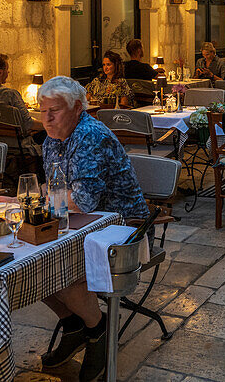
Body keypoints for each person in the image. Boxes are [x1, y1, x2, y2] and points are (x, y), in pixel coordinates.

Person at [37, 76, 147, 378]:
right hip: (79, 224)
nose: (45, 118)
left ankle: (98, 329)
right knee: (30, 268)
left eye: (54, 110)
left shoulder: (90, 135)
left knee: (60, 269)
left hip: (122, 226)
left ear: (76, 108)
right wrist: (50, 196)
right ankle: (74, 326)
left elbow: (83, 200)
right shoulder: (52, 139)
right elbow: (56, 194)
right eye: (42, 110)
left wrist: (49, 195)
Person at [0, 52, 43, 138]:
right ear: (0, 73)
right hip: (18, 147)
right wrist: (51, 125)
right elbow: (29, 124)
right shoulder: (11, 95)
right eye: (7, 69)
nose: (8, 72)